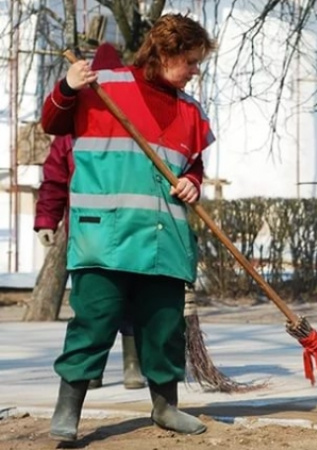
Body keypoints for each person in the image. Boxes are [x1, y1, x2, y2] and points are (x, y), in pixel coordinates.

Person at [40, 14, 215, 441]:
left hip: (164, 241)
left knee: (163, 326)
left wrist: (193, 182)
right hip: (106, 238)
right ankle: (68, 408)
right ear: (166, 53)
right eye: (191, 61)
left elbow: (194, 164)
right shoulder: (102, 88)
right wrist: (67, 87)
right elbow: (52, 123)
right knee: (94, 323)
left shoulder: (191, 111)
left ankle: (165, 406)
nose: (196, 71)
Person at [35, 43, 145, 392]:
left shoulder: (131, 128)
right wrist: (46, 221)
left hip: (126, 227)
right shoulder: (70, 132)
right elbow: (54, 178)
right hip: (88, 232)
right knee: (93, 306)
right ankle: (91, 370)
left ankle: (132, 366)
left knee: (127, 299)